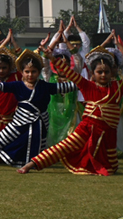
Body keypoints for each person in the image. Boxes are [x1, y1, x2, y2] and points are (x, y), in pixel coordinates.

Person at [19, 45, 120, 176]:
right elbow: (68, 72)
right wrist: (52, 58)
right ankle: (32, 164)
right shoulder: (86, 85)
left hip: (109, 131)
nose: (103, 75)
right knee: (64, 146)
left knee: (111, 166)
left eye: (106, 72)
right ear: (93, 74)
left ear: (112, 72)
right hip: (87, 128)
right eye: (99, 72)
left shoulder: (118, 87)